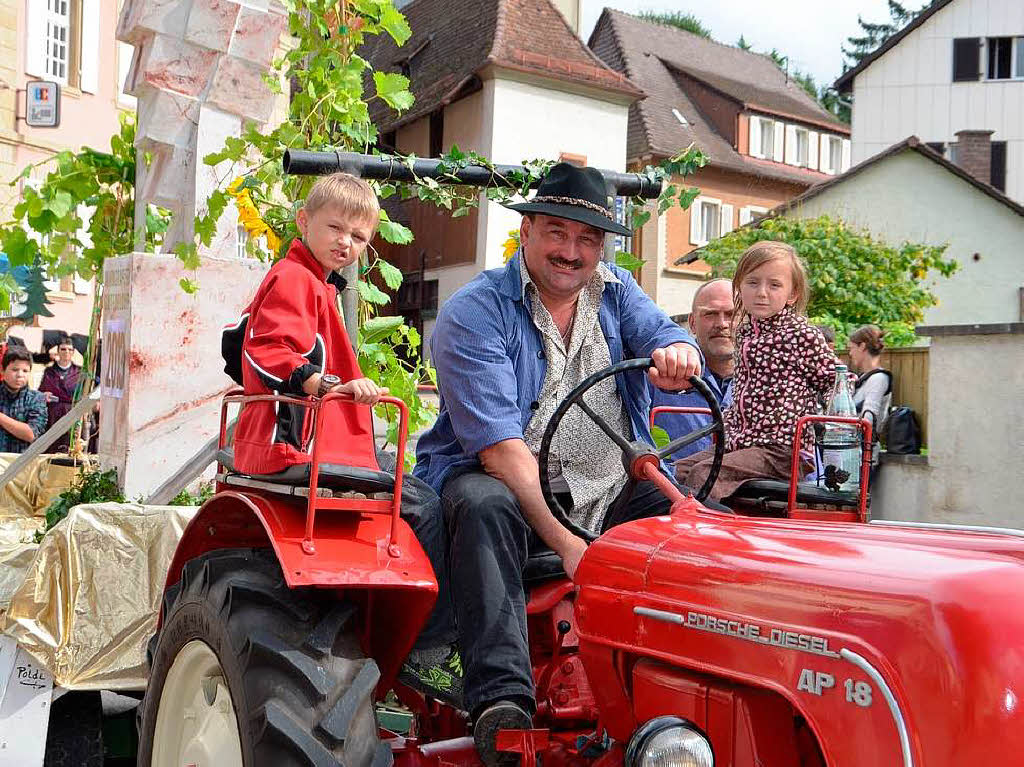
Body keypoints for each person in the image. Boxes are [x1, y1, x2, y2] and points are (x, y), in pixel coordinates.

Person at [414, 162, 705, 766]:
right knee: (482, 501)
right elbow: (499, 450)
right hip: (511, 482)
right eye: (556, 231)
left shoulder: (617, 293)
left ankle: (683, 690)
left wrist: (679, 349)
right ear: (526, 233)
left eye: (588, 239)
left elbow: (663, 331)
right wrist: (570, 547)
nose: (571, 251)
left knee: (692, 530)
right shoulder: (477, 311)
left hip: (607, 483)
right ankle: (502, 703)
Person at [221, 171, 456, 690]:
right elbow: (268, 348)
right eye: (335, 229)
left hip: (312, 440)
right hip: (301, 442)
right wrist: (330, 386)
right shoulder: (295, 279)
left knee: (417, 499)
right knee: (428, 508)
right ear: (303, 222)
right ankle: (432, 646)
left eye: (359, 238)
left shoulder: (316, 283)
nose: (346, 244)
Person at [675, 241, 837, 502]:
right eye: (752, 283)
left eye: (774, 285)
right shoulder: (746, 333)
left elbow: (836, 381)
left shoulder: (801, 333)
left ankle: (704, 537)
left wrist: (825, 430)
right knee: (678, 471)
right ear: (739, 287)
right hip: (743, 443)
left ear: (792, 294)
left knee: (704, 475)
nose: (762, 292)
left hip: (781, 450)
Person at [649, 278, 734, 459]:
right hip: (672, 485)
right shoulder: (658, 375)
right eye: (710, 314)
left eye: (731, 314)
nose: (722, 323)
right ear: (692, 323)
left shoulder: (771, 382)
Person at [848, 324, 892, 472]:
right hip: (851, 453)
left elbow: (869, 417)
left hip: (863, 456)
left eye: (851, 348)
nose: (850, 353)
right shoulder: (863, 379)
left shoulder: (879, 378)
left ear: (862, 346)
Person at [0, 347, 48, 454]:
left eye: (25, 371)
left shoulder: (36, 398)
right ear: (2, 370)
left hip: (22, 464)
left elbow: (31, 434)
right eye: (15, 369)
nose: (20, 375)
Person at [38, 335, 81, 453]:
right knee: (52, 448)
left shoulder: (80, 372)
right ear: (58, 351)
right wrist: (43, 395)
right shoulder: (49, 372)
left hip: (72, 414)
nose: (66, 352)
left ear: (73, 352)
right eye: (63, 349)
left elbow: (84, 394)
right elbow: (41, 391)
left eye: (70, 349)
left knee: (70, 449)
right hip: (53, 415)